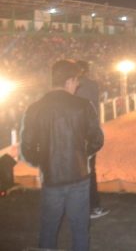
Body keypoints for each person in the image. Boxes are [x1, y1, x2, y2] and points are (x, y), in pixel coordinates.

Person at [20, 60, 104, 251]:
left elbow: (27, 147)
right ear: (69, 81)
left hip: (51, 178)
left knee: (48, 228)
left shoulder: (35, 108)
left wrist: (43, 161)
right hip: (79, 176)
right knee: (80, 228)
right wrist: (82, 155)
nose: (78, 85)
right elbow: (97, 140)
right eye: (76, 81)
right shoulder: (83, 105)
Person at [75, 60, 109, 219]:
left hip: (75, 136)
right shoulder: (90, 85)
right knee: (88, 172)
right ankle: (91, 207)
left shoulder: (71, 87)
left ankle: (78, 205)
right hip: (86, 136)